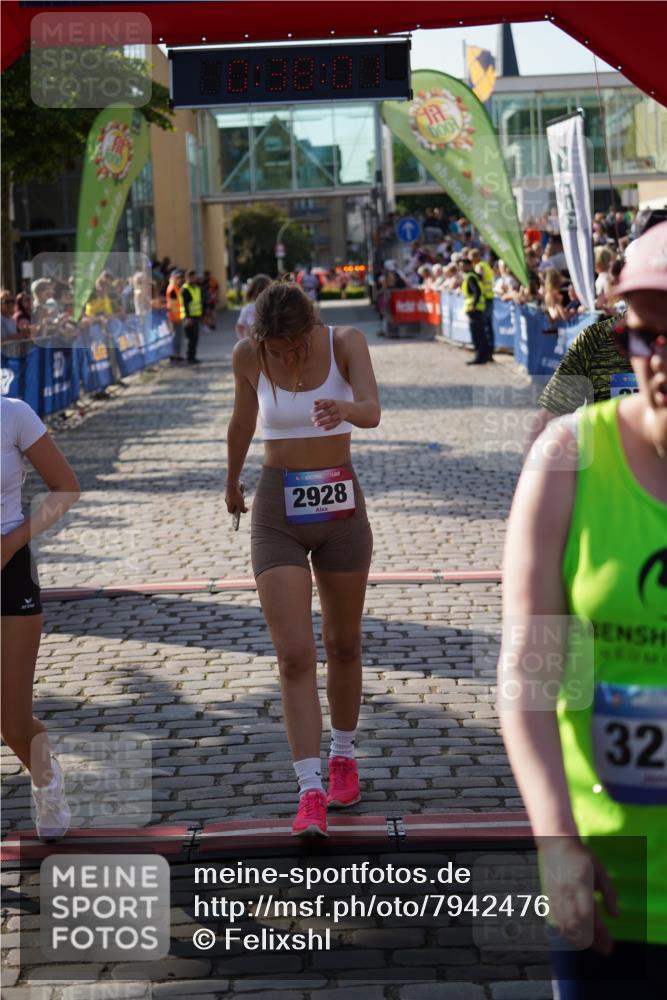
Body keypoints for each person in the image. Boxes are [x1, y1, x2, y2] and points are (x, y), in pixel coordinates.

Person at [499, 220, 667, 996]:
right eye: (644, 335)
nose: (659, 359)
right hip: (610, 885)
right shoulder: (569, 454)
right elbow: (530, 668)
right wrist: (554, 837)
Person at [225, 281, 380, 837]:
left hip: (339, 504)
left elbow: (372, 411)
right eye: (276, 348)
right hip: (276, 510)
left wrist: (343, 408)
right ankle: (309, 789)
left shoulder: (346, 342)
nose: (286, 357)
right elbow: (243, 422)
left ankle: (343, 756)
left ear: (310, 328)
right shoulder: (249, 354)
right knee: (293, 654)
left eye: (294, 345)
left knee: (343, 643)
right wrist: (231, 481)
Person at [1, 396, 80, 840]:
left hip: (8, 569)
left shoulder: (13, 413)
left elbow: (65, 487)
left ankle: (47, 780)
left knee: (13, 722)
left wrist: (11, 544)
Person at [459, 256, 490, 365]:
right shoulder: (474, 276)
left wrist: (474, 304)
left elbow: (476, 291)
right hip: (478, 309)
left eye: (463, 266)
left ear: (468, 265)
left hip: (474, 309)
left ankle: (479, 356)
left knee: (477, 334)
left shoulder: (470, 277)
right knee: (481, 333)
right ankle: (484, 355)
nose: (461, 268)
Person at [470, 248, 495, 358]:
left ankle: (486, 352)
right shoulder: (486, 265)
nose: (471, 261)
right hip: (490, 297)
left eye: (471, 259)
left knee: (484, 326)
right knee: (488, 326)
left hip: (485, 298)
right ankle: (489, 351)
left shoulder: (480, 266)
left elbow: (480, 279)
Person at [235, 274, 271, 341]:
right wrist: (243, 341)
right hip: (254, 346)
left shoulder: (273, 307)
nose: (263, 293)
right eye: (261, 290)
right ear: (254, 291)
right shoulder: (249, 308)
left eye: (266, 290)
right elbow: (239, 326)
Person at [181, 270, 203, 364]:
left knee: (195, 338)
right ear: (187, 278)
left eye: (194, 277)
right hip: (189, 317)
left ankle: (193, 356)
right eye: (191, 277)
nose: (193, 279)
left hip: (196, 316)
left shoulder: (197, 288)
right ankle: (190, 357)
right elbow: (185, 304)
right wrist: (188, 317)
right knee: (190, 338)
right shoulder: (185, 289)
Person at [166, 269, 185, 363]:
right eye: (177, 278)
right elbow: (173, 305)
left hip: (177, 317)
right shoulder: (173, 289)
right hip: (175, 318)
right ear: (172, 278)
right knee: (176, 337)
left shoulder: (175, 288)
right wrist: (176, 318)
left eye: (180, 278)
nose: (179, 280)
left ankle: (176, 354)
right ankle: (175, 355)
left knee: (177, 337)